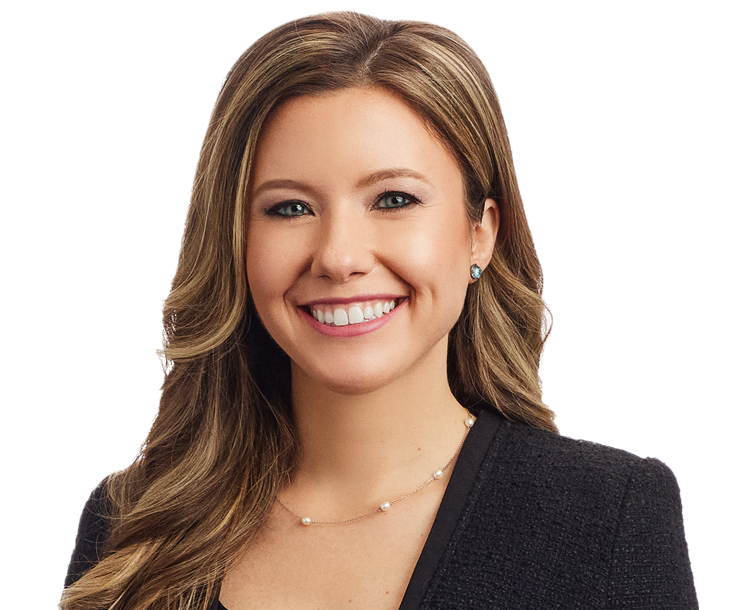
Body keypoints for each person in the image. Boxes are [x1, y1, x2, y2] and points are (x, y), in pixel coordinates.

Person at [60, 11, 698, 610]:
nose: (338, 257)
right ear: (234, 241)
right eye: (289, 208)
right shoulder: (132, 528)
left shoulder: (610, 518)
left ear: (480, 232)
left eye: (393, 200)